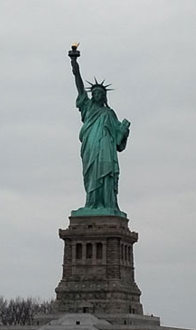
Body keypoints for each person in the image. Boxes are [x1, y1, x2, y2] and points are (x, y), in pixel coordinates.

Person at [69, 47, 130, 214]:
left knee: (106, 173)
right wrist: (75, 64)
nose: (96, 95)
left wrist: (124, 130)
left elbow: (118, 141)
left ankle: (107, 205)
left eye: (99, 93)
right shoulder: (87, 107)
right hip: (90, 145)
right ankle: (92, 204)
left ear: (104, 96)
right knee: (91, 174)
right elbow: (80, 86)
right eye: (94, 92)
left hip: (106, 149)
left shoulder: (109, 113)